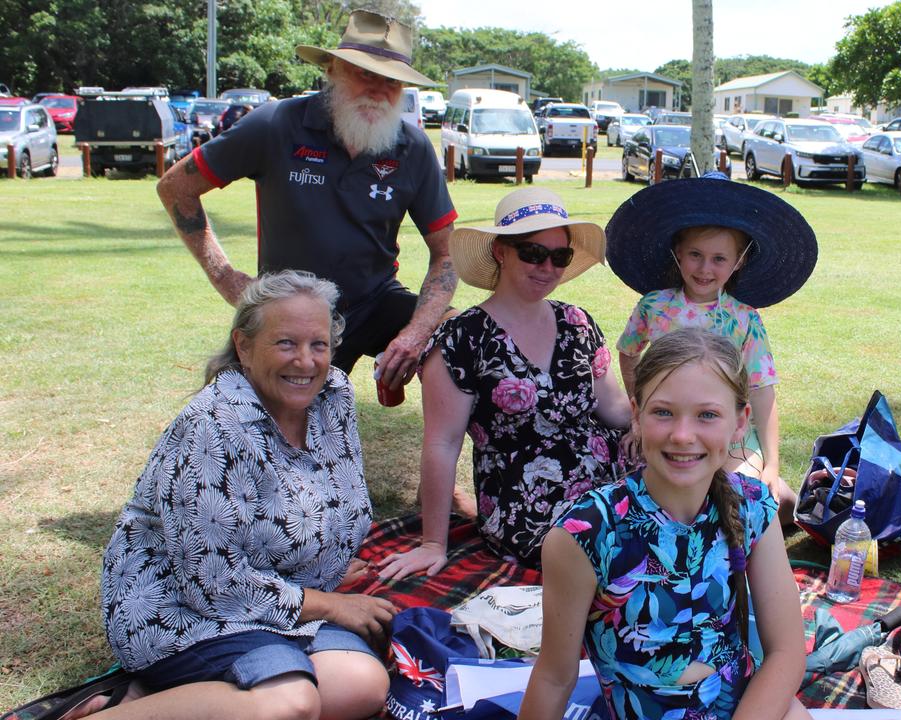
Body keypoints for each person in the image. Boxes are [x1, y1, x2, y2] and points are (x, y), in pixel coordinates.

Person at [89, 271, 394, 720]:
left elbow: (329, 501)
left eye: (319, 345)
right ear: (244, 346)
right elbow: (210, 582)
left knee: (361, 685)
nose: (306, 362)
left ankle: (162, 700)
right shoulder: (212, 425)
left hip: (277, 597)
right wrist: (330, 603)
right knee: (291, 702)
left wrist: (323, 564)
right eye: (286, 343)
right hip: (181, 609)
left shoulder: (334, 396)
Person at [156, 10, 458, 394]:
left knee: (463, 339)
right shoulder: (276, 124)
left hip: (375, 300)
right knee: (237, 412)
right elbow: (176, 188)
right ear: (332, 69)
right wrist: (225, 277)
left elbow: (446, 254)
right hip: (292, 310)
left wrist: (415, 335)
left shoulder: (410, 147)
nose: (379, 90)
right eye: (365, 73)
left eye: (392, 82)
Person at [520, 328, 809, 720]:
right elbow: (554, 678)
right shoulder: (587, 535)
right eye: (663, 412)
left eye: (707, 414)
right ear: (637, 415)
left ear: (741, 423)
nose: (683, 435)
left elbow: (786, 652)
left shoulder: (753, 506)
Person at [376, 188, 631, 577]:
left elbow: (615, 411)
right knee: (615, 552)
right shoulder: (462, 339)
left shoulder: (577, 322)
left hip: (610, 478)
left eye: (559, 256)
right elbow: (442, 445)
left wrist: (662, 415)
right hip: (526, 502)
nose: (546, 267)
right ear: (501, 251)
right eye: (532, 253)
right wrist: (432, 543)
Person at [605, 172, 818, 525]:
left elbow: (763, 393)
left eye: (719, 258)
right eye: (695, 254)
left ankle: (783, 497)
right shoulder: (654, 306)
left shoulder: (744, 319)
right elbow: (629, 352)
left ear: (739, 261)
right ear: (677, 253)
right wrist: (639, 414)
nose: (705, 268)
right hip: (671, 432)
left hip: (729, 436)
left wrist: (771, 463)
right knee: (660, 508)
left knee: (749, 501)